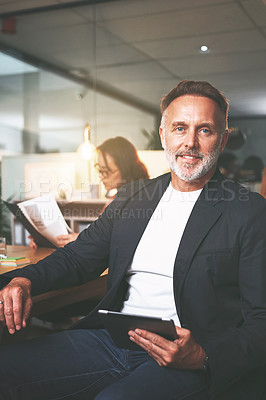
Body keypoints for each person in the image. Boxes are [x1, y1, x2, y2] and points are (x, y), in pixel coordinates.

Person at [0, 80, 265, 400]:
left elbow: (261, 320)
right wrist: (25, 279)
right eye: (180, 128)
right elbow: (77, 258)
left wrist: (202, 356)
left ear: (222, 141)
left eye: (204, 130)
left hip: (185, 356)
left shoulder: (248, 211)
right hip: (110, 340)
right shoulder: (133, 197)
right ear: (164, 133)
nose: (190, 142)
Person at [30, 136, 149, 248]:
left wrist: (80, 239)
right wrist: (46, 239)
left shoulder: (138, 201)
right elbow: (101, 236)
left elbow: (121, 243)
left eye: (106, 171)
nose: (101, 176)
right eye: (99, 169)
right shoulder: (114, 199)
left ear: (125, 169)